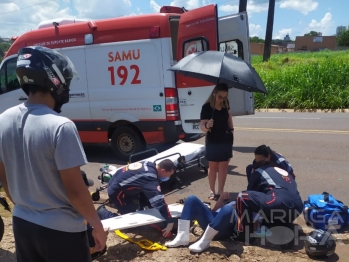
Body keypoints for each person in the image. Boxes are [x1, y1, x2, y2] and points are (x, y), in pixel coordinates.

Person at [0, 46, 107, 262]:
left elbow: (4, 176)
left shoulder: (3, 119)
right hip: (61, 230)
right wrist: (97, 225)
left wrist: (25, 205)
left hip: (22, 222)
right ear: (55, 81)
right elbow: (75, 190)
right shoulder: (60, 126)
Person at [236, 159, 303, 240]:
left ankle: (244, 234)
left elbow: (251, 193)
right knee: (271, 202)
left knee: (242, 196)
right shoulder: (282, 172)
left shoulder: (259, 171)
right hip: (298, 207)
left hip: (280, 203)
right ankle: (285, 227)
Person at [107, 159, 176, 237]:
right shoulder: (150, 177)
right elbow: (158, 200)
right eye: (168, 175)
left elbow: (143, 188)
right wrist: (170, 221)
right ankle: (104, 214)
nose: (169, 177)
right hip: (117, 191)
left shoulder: (149, 164)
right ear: (163, 171)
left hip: (119, 181)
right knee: (129, 220)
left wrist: (144, 206)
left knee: (135, 210)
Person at [165, 194, 237, 253]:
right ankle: (182, 237)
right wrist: (220, 199)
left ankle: (205, 241)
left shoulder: (244, 203)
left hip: (224, 227)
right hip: (211, 221)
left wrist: (238, 209)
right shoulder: (235, 200)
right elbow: (215, 210)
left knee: (228, 208)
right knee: (191, 199)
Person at [200, 83, 234, 200]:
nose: (222, 99)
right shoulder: (207, 107)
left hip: (225, 138)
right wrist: (207, 125)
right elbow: (202, 127)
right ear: (214, 94)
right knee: (213, 166)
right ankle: (212, 190)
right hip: (213, 139)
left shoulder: (226, 104)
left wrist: (232, 133)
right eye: (220, 97)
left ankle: (220, 191)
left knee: (223, 166)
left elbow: (229, 120)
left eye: (225, 97)